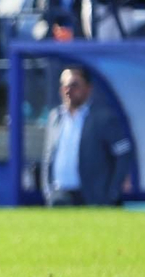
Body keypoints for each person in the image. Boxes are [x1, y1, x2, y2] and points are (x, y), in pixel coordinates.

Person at [43, 68, 133, 206]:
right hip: (59, 195)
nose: (68, 90)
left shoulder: (103, 118)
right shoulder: (55, 117)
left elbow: (123, 153)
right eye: (65, 85)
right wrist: (47, 189)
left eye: (74, 85)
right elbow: (48, 156)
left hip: (91, 197)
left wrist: (113, 191)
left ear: (88, 88)